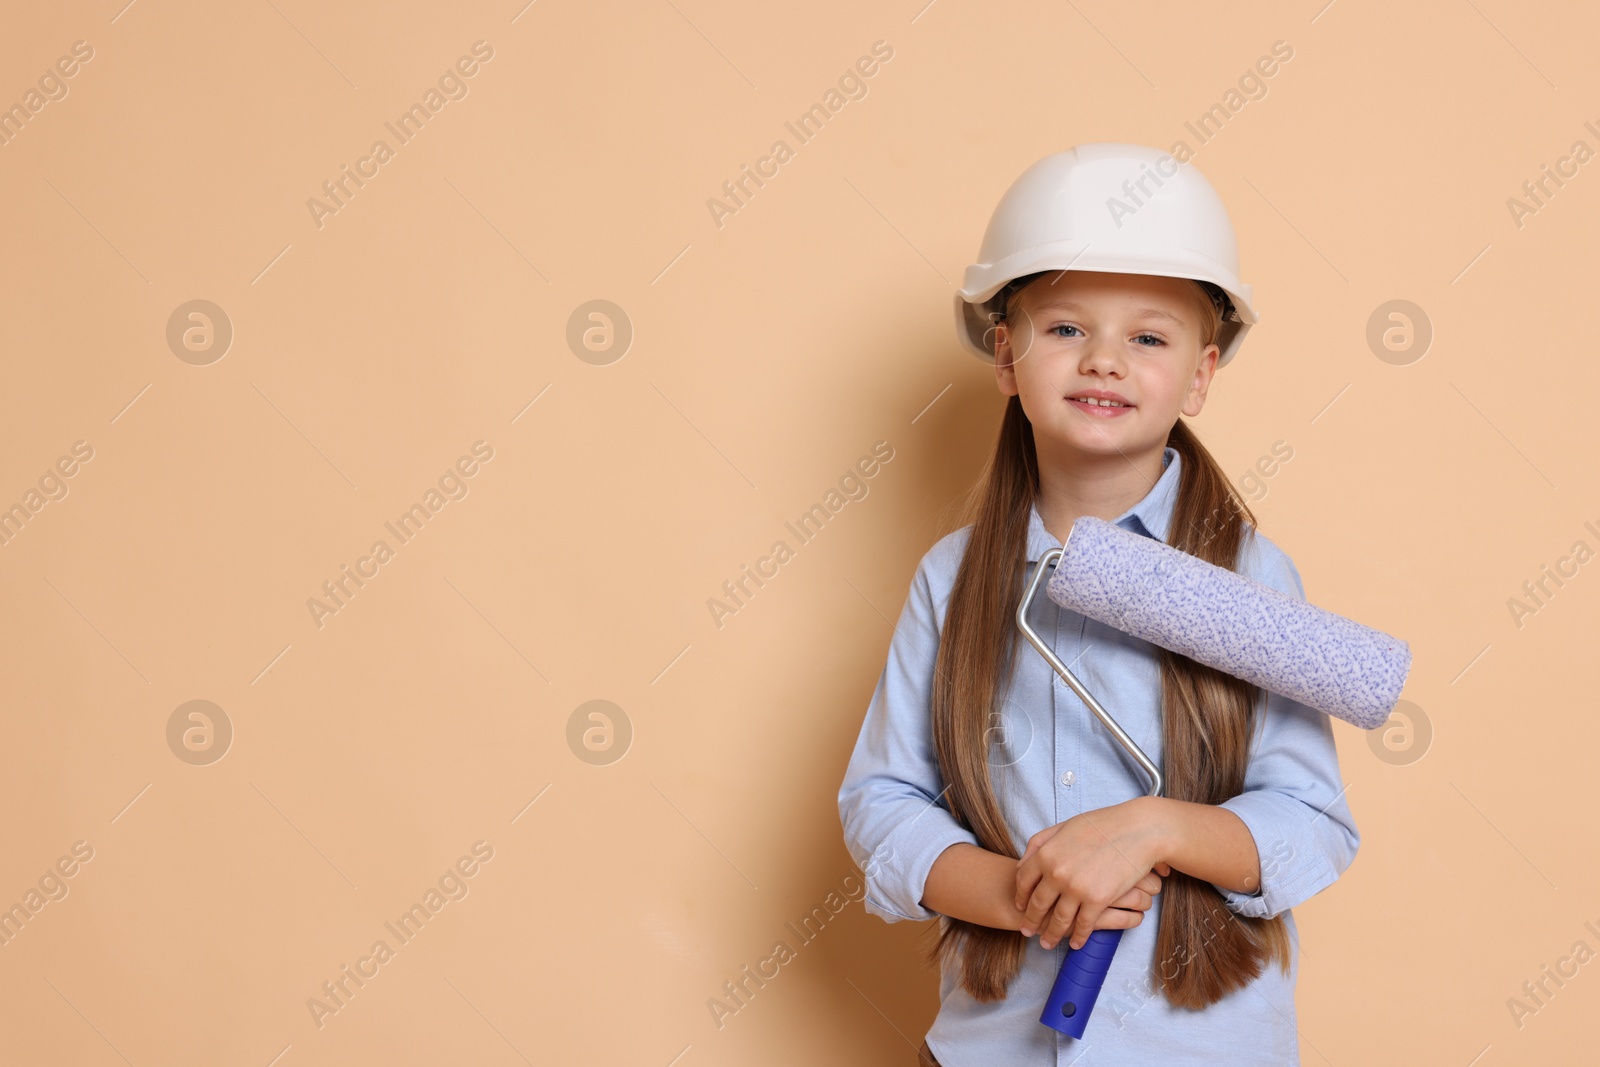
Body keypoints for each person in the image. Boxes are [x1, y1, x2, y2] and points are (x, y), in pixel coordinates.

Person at [837, 144, 1359, 1066]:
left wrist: (1153, 827)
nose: (1106, 360)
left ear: (1199, 376)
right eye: (1067, 329)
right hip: (987, 1045)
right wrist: (1015, 893)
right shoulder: (955, 580)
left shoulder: (1247, 578)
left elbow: (1310, 821)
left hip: (1201, 1045)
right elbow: (883, 799)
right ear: (1007, 355)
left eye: (1149, 337)